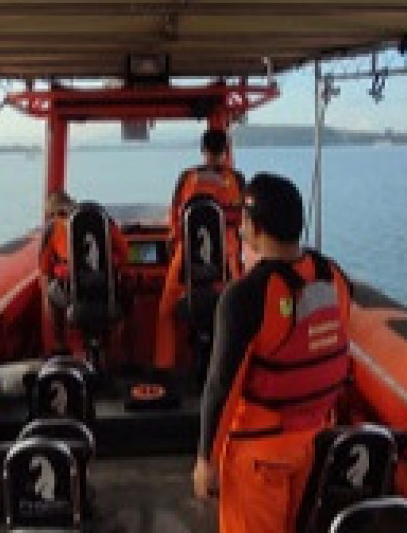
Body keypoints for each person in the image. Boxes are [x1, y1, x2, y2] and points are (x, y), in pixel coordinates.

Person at [192, 173, 357, 533]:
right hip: (315, 447)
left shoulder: (246, 296)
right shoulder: (335, 278)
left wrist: (206, 460)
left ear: (255, 227)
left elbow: (221, 385)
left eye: (243, 220)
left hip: (260, 456)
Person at [153, 127, 246, 376]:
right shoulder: (237, 180)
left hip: (187, 255)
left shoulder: (187, 178)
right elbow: (242, 222)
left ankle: (164, 367)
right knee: (238, 309)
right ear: (226, 151)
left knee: (166, 311)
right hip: (227, 258)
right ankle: (234, 369)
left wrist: (175, 243)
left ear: (203, 150)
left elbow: (174, 219)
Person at [38, 189, 130, 354]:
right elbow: (124, 253)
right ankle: (119, 349)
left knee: (50, 294)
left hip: (71, 293)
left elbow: (45, 268)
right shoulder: (105, 221)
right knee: (128, 299)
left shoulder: (53, 228)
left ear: (54, 213)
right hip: (106, 290)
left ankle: (60, 345)